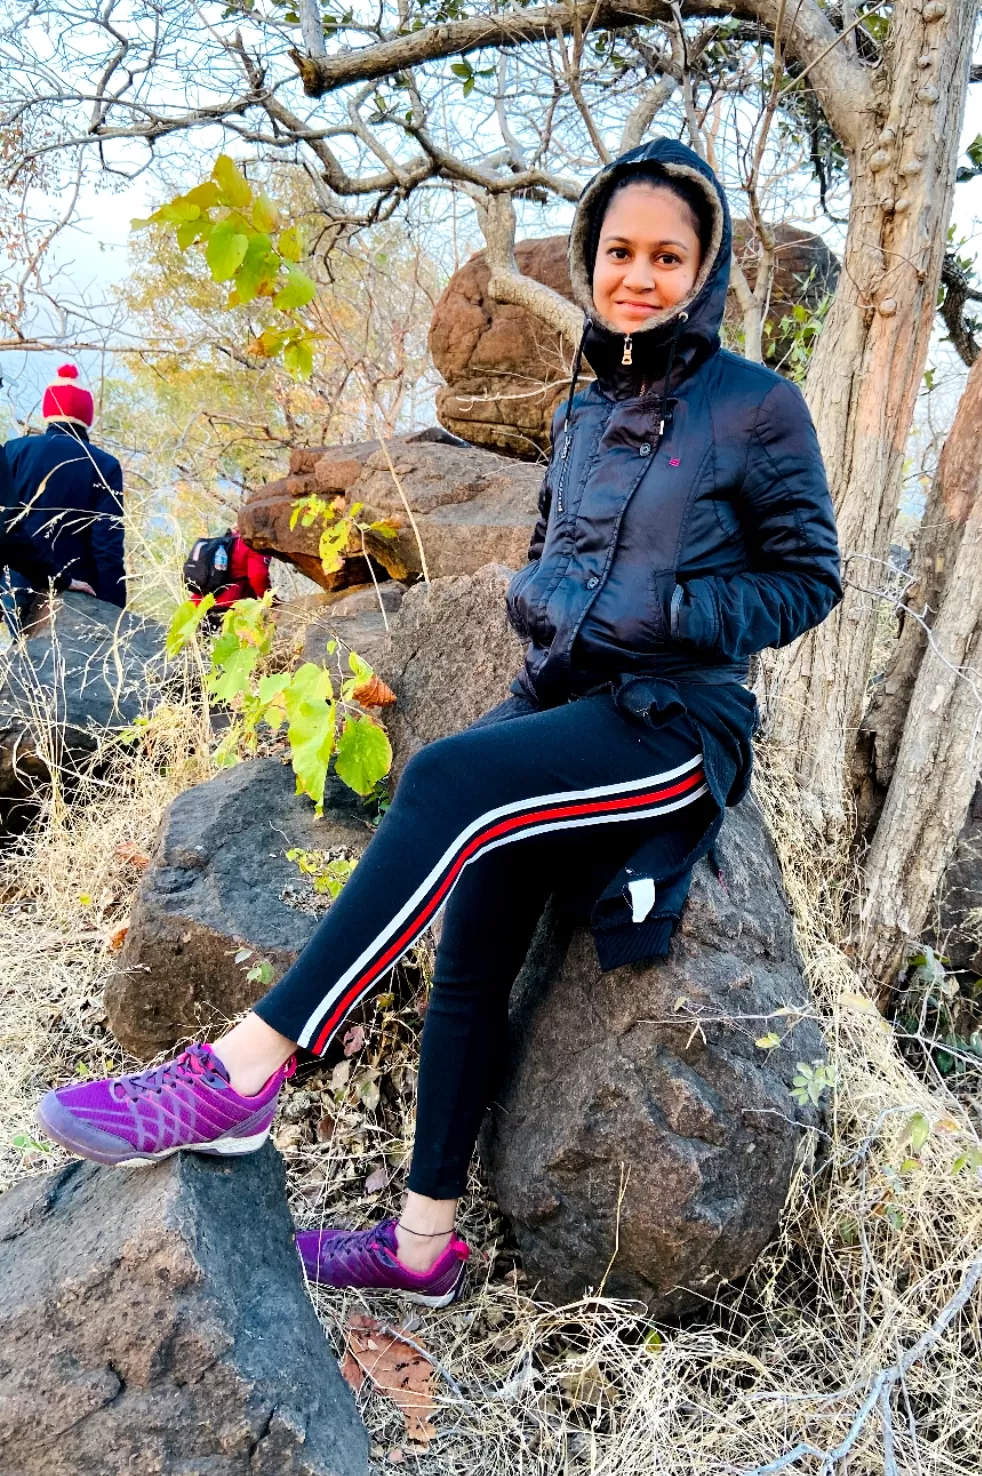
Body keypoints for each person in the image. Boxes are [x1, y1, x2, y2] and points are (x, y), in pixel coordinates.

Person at [36, 140, 842, 1308]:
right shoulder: (583, 405)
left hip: (674, 724)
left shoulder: (756, 407)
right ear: (589, 259)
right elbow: (557, 553)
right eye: (620, 252)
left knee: (446, 782)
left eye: (669, 257)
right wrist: (537, 632)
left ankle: (243, 1073)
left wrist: (677, 609)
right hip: (567, 699)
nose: (638, 277)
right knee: (473, 943)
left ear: (705, 270)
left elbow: (810, 577)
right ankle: (422, 1248)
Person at [1, 364, 126, 631]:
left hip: (15, 583)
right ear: (86, 416)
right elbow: (107, 546)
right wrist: (116, 611)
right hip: (78, 590)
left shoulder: (13, 451)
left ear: (49, 412)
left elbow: (5, 524)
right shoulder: (104, 466)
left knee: (24, 655)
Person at [185, 527, 272, 623]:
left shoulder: (229, 538)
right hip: (229, 608)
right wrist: (272, 602)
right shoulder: (256, 544)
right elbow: (258, 576)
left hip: (198, 606)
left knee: (207, 637)